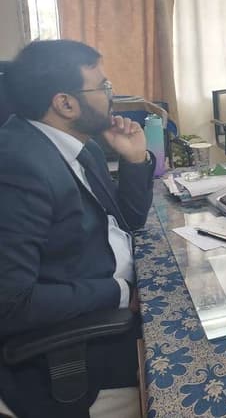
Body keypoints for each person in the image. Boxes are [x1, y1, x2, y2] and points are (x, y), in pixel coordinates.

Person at [0, 40, 154, 417]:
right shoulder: (18, 166)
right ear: (65, 104)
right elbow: (11, 304)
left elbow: (128, 221)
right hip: (73, 352)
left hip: (104, 295)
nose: (111, 95)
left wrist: (135, 159)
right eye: (103, 87)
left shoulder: (79, 146)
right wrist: (120, 292)